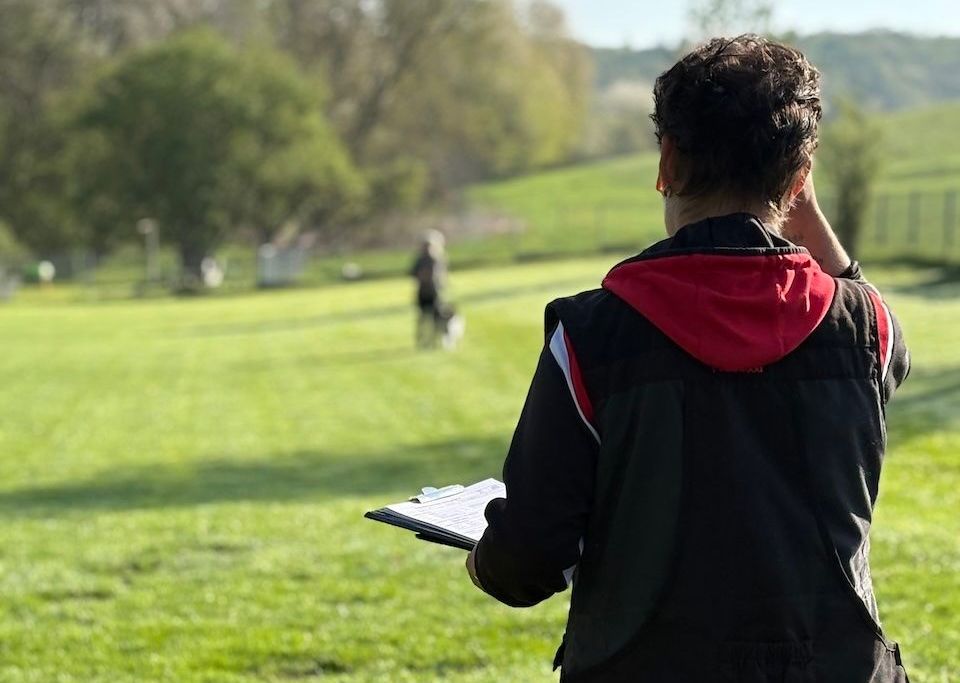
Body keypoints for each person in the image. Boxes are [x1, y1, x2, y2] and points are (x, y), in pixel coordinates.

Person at [466, 35, 911, 682]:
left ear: (667, 161)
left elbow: (525, 563)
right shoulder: (865, 329)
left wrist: (481, 558)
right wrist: (802, 208)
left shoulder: (592, 335)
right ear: (800, 176)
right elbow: (877, 327)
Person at [410, 230, 447, 348]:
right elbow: (413, 273)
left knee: (436, 319)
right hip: (422, 293)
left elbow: (440, 276)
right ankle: (421, 341)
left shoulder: (437, 259)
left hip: (435, 293)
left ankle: (436, 341)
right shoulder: (419, 260)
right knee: (422, 319)